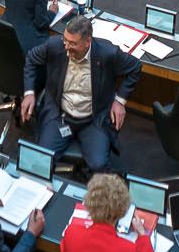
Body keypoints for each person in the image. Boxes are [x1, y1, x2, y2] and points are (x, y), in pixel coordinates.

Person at [20, 17, 140, 176]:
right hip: (60, 116)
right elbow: (30, 59)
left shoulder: (108, 53)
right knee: (41, 163)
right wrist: (29, 93)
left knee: (99, 165)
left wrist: (120, 101)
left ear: (87, 41)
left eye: (73, 43)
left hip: (92, 120)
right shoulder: (55, 46)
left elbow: (135, 68)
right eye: (65, 40)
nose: (67, 47)